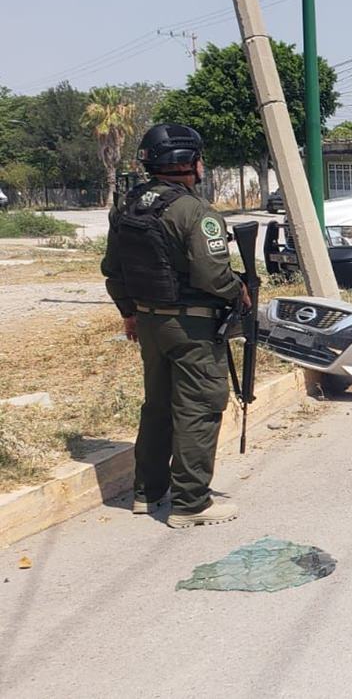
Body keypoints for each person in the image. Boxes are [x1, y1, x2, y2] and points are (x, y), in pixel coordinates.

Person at [100, 123, 249, 527]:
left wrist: (129, 314)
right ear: (188, 162)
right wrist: (240, 291)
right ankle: (191, 503)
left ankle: (148, 493)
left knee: (158, 407)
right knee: (198, 408)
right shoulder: (195, 211)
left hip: (148, 322)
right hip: (192, 329)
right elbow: (212, 277)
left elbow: (112, 270)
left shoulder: (129, 206)